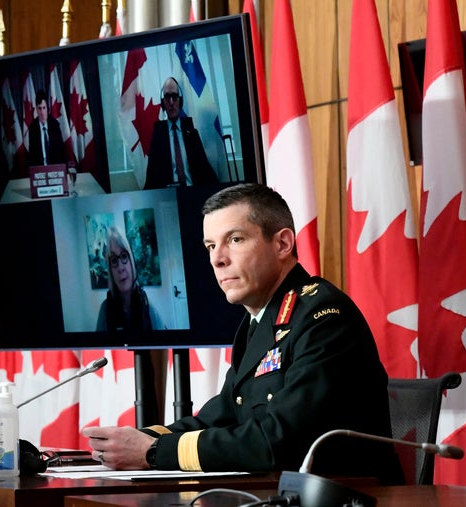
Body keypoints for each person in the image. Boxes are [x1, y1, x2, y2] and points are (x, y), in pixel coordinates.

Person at [83, 183, 403, 484]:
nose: (218, 259)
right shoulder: (260, 322)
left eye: (235, 240)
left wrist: (153, 454)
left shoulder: (323, 318)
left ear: (282, 244)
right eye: (211, 245)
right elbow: (218, 417)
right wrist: (139, 440)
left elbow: (279, 441)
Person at [143, 77, 218, 189]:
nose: (171, 102)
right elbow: (151, 178)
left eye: (174, 96)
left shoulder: (192, 134)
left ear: (180, 101)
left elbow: (206, 172)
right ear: (163, 103)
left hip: (192, 193)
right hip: (168, 198)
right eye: (167, 97)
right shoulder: (158, 137)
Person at [96, 227, 164, 332]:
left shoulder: (148, 308)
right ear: (110, 270)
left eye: (124, 256)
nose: (120, 268)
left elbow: (163, 347)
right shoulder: (105, 311)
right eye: (114, 260)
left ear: (131, 261)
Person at [27, 90, 67, 170]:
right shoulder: (32, 128)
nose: (42, 112)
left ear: (47, 108)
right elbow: (32, 157)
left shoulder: (55, 126)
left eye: (44, 108)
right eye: (39, 108)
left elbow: (61, 153)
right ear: (36, 110)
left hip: (55, 169)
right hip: (40, 171)